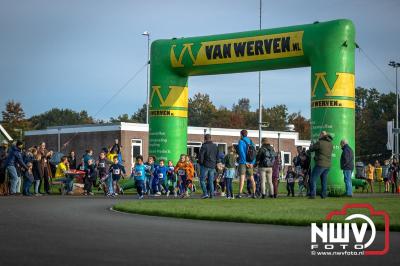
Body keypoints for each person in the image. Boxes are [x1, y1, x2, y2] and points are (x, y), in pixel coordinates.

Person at [308, 131, 333, 199]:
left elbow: (311, 149)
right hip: (328, 165)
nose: (319, 136)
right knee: (324, 180)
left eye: (320, 135)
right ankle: (323, 195)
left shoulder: (320, 143)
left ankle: (313, 194)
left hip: (320, 163)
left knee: (313, 179)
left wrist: (311, 145)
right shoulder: (330, 144)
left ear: (322, 135)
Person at [236, 130, 256, 199]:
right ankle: (254, 193)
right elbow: (254, 153)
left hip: (243, 162)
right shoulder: (251, 142)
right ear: (247, 134)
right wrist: (252, 163)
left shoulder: (241, 141)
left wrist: (245, 162)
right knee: (251, 178)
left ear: (241, 134)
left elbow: (241, 152)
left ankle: (240, 193)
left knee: (242, 177)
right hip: (250, 163)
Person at [198, 134, 218, 199]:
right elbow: (217, 156)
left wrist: (201, 163)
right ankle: (211, 195)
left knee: (202, 180)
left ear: (205, 138)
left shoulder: (204, 146)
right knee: (211, 181)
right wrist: (216, 163)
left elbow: (201, 156)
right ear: (210, 138)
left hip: (205, 165)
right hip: (212, 165)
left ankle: (205, 193)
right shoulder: (215, 146)